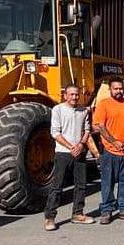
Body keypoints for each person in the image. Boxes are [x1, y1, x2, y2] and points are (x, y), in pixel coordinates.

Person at [91, 77, 124, 224]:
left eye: (120, 88)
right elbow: (100, 126)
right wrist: (114, 142)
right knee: (108, 182)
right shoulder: (104, 104)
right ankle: (106, 211)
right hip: (109, 151)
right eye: (116, 89)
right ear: (110, 89)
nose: (119, 91)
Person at [43, 84, 94, 230]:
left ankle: (78, 214)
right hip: (63, 153)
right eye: (71, 94)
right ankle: (50, 218)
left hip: (79, 153)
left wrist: (81, 145)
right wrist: (70, 147)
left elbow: (87, 130)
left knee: (81, 185)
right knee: (57, 186)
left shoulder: (83, 111)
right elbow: (55, 133)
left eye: (76, 94)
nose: (74, 97)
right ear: (65, 96)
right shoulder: (58, 110)